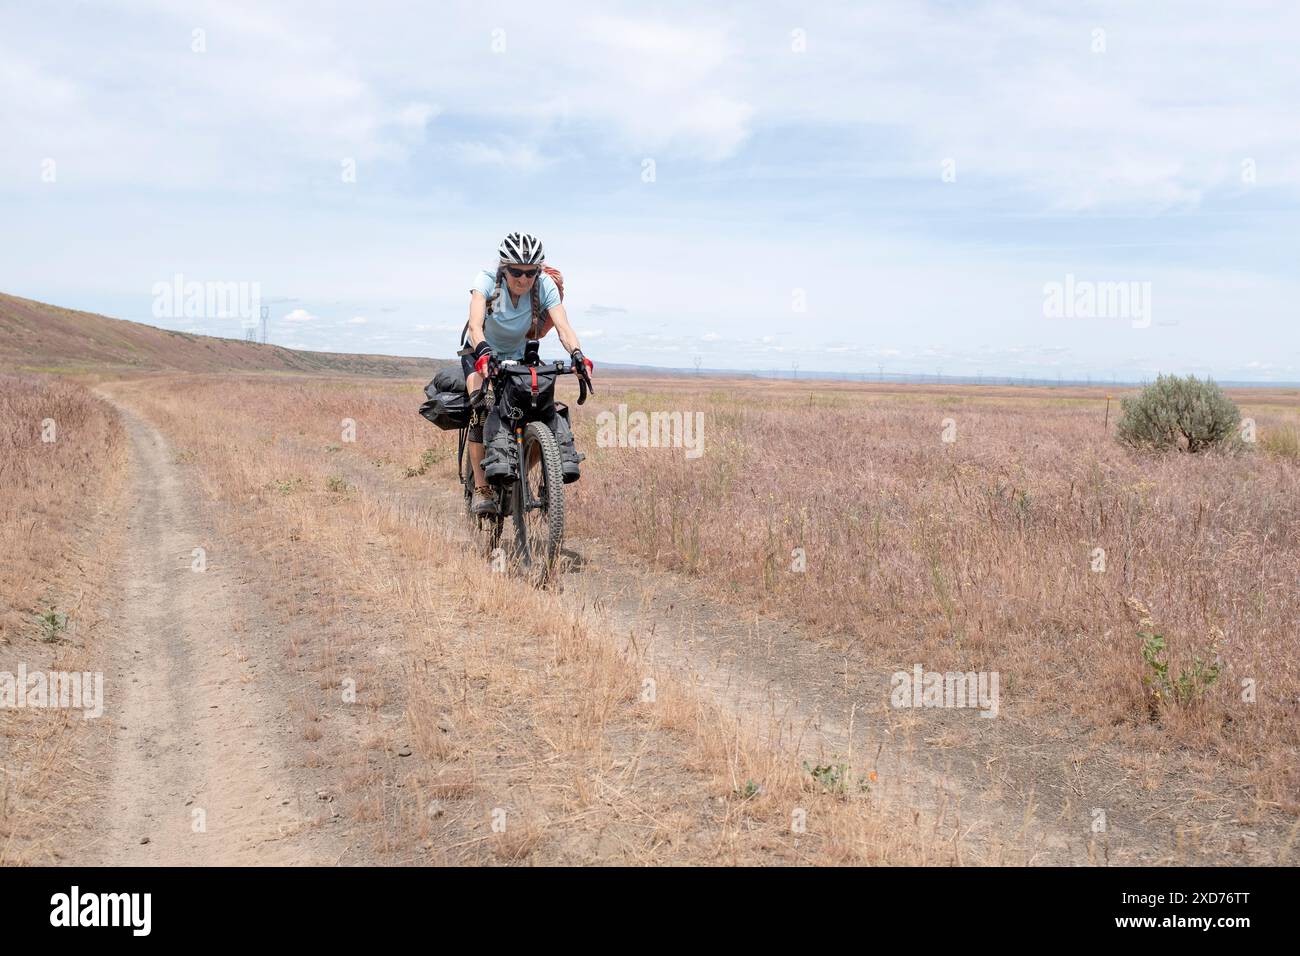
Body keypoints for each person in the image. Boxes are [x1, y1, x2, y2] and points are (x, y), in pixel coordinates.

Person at [460, 231, 593, 515]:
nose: (523, 279)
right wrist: (483, 354)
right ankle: (482, 489)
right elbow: (475, 327)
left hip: (518, 355)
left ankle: (521, 467)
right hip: (480, 350)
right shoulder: (486, 280)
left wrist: (578, 355)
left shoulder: (543, 285)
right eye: (516, 272)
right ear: (504, 269)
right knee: (481, 409)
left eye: (530, 272)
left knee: (537, 406)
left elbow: (563, 328)